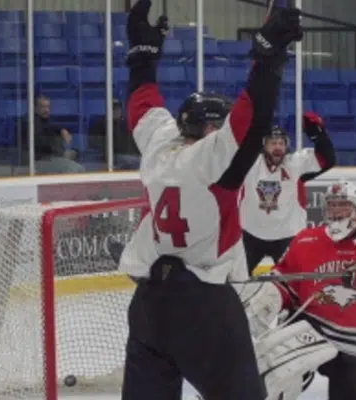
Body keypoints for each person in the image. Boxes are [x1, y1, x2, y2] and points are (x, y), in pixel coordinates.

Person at [117, 1, 309, 399]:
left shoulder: (159, 146)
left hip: (149, 304)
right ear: (207, 128)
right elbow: (251, 117)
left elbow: (142, 105)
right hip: (202, 304)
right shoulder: (212, 159)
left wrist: (142, 55)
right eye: (215, 124)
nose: (221, 129)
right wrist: (269, 56)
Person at [259, 179, 356, 400]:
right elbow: (285, 283)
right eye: (331, 204)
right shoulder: (306, 239)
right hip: (312, 329)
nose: (335, 210)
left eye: (342, 204)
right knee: (271, 381)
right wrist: (268, 295)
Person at [240, 118, 335, 274]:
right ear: (264, 145)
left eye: (281, 143)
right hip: (251, 234)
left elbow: (327, 160)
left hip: (288, 235)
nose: (278, 147)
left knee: (295, 282)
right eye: (273, 143)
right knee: (238, 280)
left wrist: (318, 136)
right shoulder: (249, 163)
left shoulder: (295, 164)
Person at [18, 95, 84, 174]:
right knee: (78, 169)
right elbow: (40, 144)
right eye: (43, 107)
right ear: (35, 108)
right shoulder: (30, 122)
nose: (47, 110)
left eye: (48, 107)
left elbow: (52, 126)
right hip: (38, 160)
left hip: (49, 157)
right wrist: (59, 151)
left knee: (75, 153)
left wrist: (62, 130)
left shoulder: (44, 120)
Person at [87, 98, 141, 169]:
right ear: (108, 110)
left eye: (118, 108)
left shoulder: (127, 124)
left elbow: (134, 144)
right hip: (109, 157)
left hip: (127, 157)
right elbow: (92, 142)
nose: (116, 111)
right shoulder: (101, 124)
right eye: (113, 109)